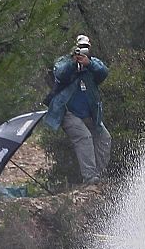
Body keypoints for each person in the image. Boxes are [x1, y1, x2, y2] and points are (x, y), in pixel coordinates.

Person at [42, 35, 112, 184]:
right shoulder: (64, 61)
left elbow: (104, 72)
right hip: (67, 112)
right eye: (80, 48)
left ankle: (99, 175)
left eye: (86, 47)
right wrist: (73, 62)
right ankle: (90, 177)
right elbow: (59, 73)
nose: (83, 51)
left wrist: (89, 63)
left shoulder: (93, 63)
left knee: (104, 138)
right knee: (84, 137)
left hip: (90, 114)